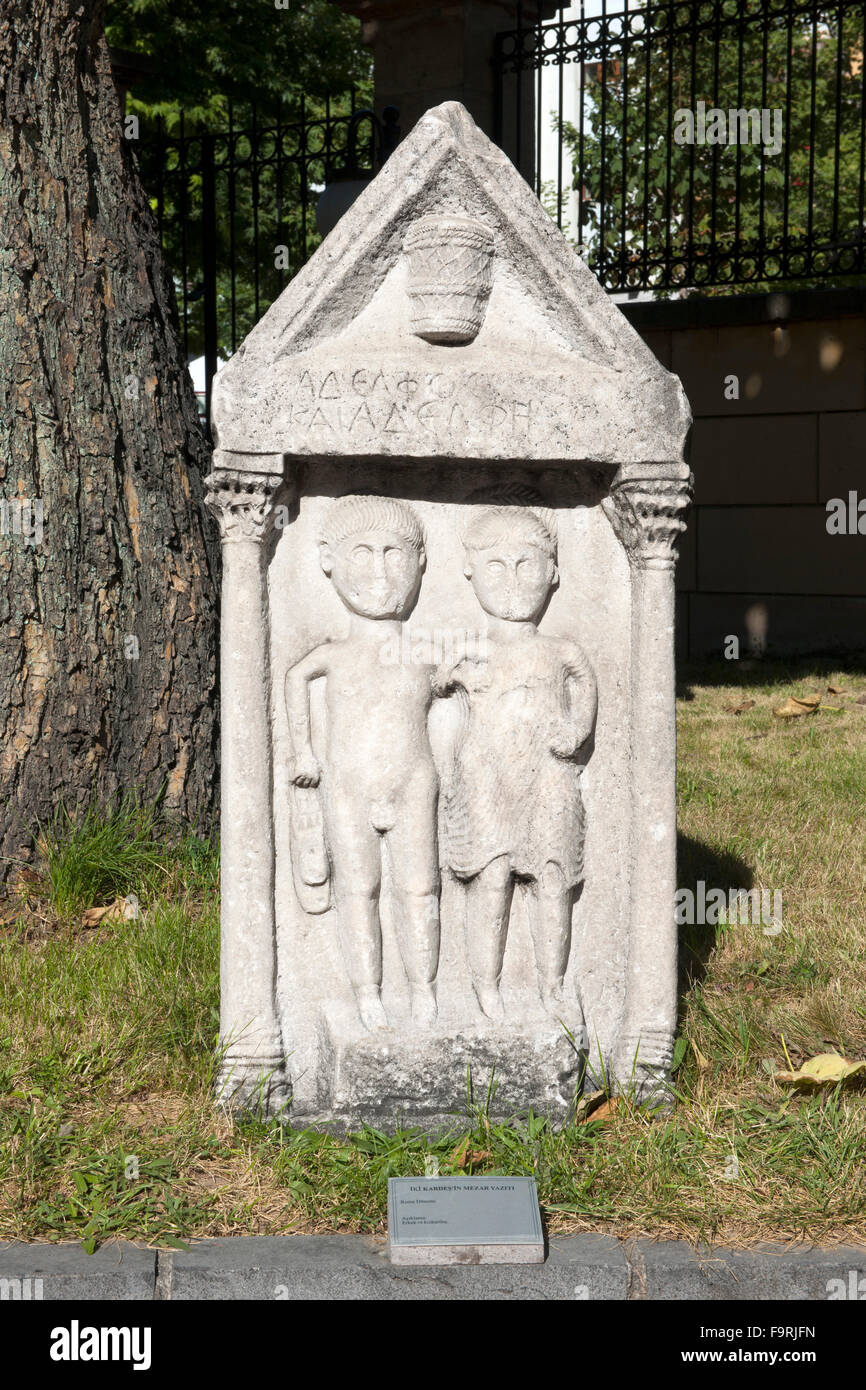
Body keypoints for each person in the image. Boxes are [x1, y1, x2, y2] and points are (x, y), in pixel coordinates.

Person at [285, 494, 440, 1031]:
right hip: (348, 785)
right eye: (363, 553)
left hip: (415, 781)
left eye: (395, 554)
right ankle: (368, 993)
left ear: (420, 564)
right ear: (329, 560)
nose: (380, 571)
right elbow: (295, 678)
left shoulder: (425, 650)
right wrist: (302, 750)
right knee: (359, 889)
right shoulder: (334, 653)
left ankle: (424, 990)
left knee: (420, 886)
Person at [437, 504, 596, 1021]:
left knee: (552, 875)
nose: (512, 581)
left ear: (552, 573)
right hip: (486, 774)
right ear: (470, 573)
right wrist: (450, 675)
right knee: (493, 874)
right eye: (496, 566)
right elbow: (435, 686)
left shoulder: (561, 648)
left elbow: (584, 682)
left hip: (549, 773)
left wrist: (576, 730)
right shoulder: (470, 646)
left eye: (526, 565)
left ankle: (552, 986)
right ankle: (487, 987)